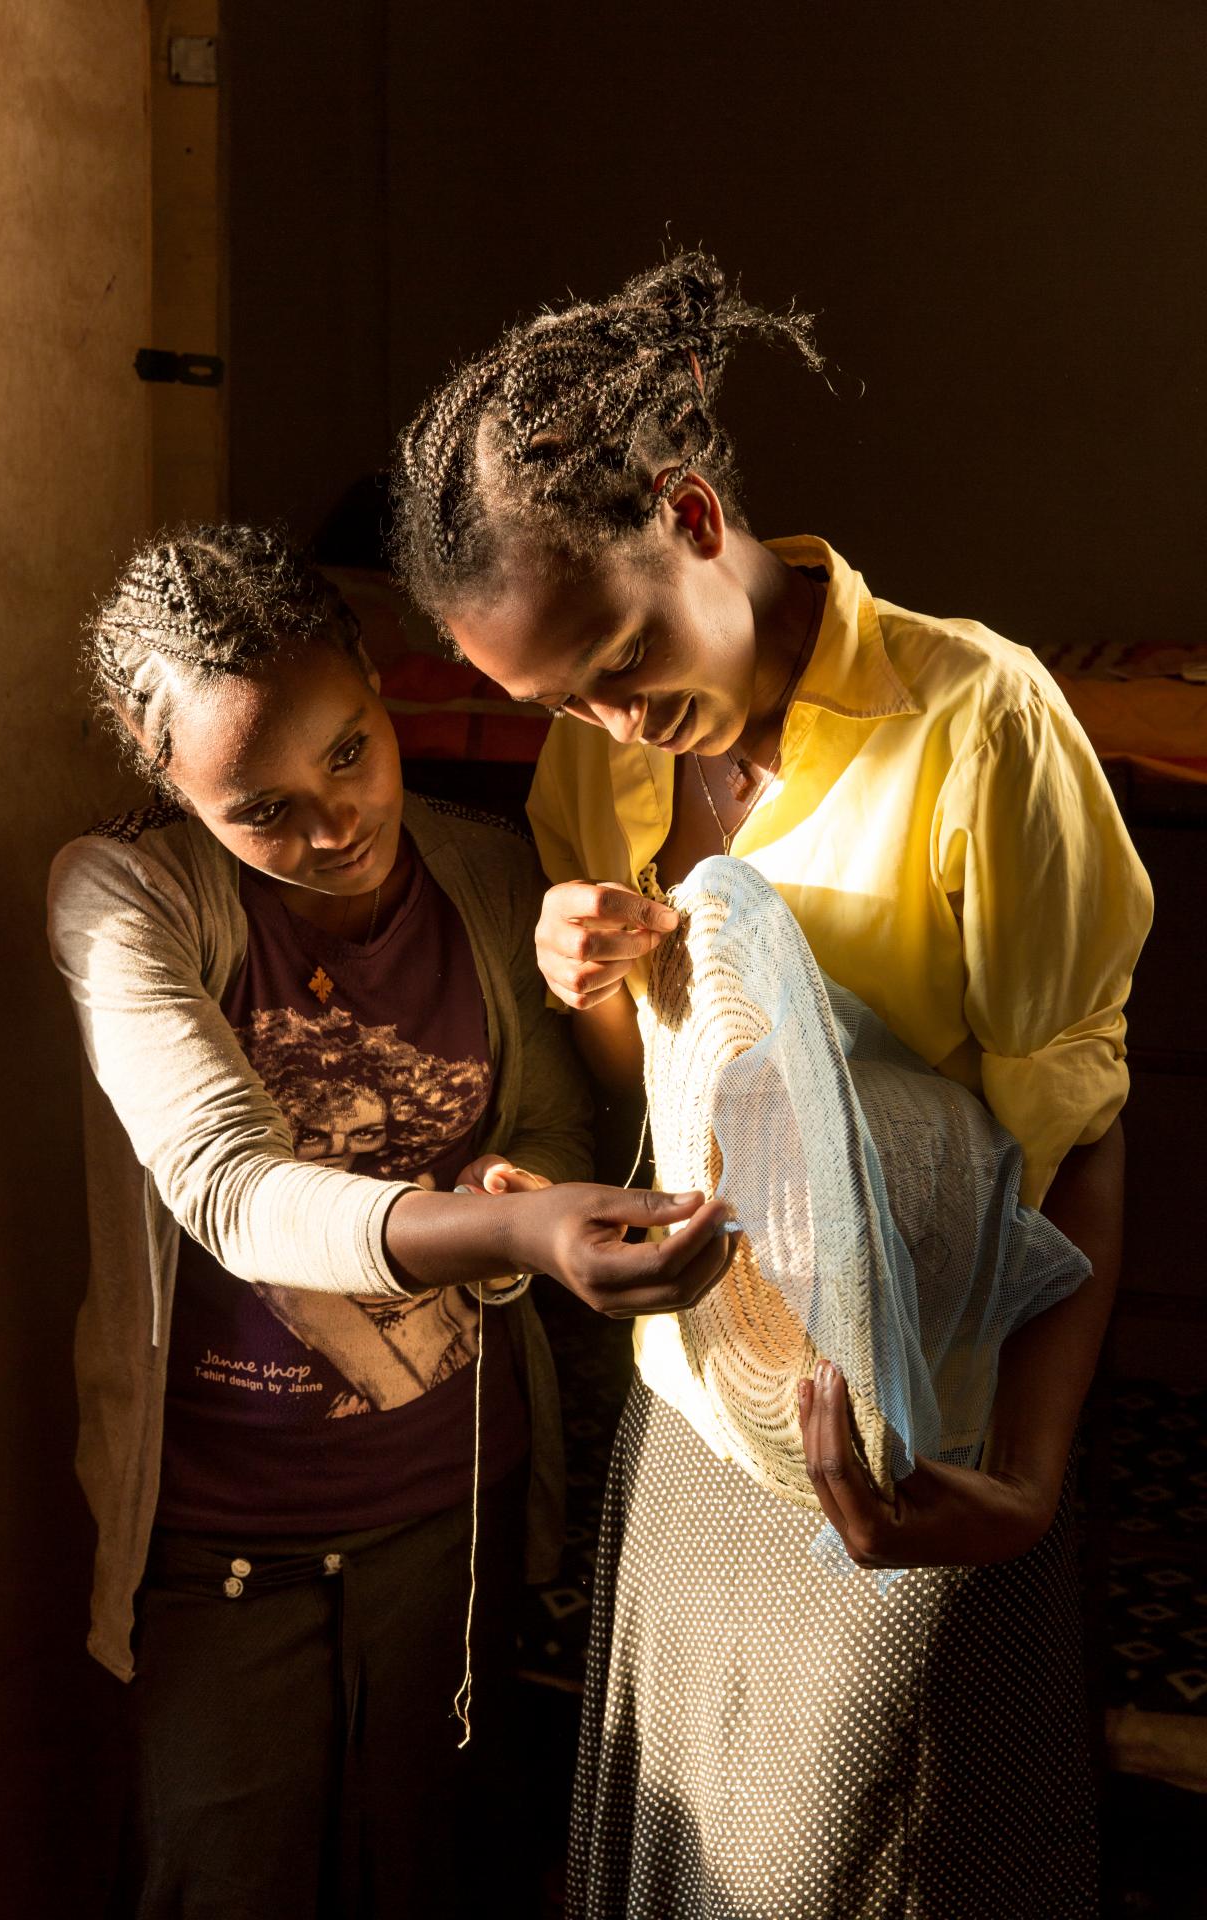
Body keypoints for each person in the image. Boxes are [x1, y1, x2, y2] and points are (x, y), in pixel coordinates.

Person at [391, 254, 1154, 1916]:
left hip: (909, 1449)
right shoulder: (608, 761)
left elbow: (1079, 1145)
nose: (608, 719)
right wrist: (587, 989)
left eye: (616, 655)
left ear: (693, 512)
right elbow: (668, 1099)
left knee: (881, 1864)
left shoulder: (979, 726)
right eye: (555, 703)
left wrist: (1020, 1481)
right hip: (699, 1425)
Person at [46, 525, 734, 1919]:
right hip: (224, 1550)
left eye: (350, 754)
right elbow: (228, 1189)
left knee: (444, 1878)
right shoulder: (124, 898)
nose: (334, 825)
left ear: (376, 681)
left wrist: (517, 1190)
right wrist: (516, 1243)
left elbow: (544, 1130)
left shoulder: (483, 873)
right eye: (264, 809)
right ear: (164, 772)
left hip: (455, 1523)